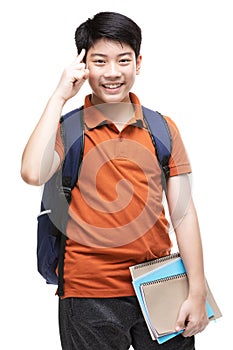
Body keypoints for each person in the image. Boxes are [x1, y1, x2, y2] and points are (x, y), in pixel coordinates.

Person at [21, 11, 209, 350]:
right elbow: (33, 173)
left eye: (123, 60)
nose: (112, 72)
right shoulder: (68, 128)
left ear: (138, 62)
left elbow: (183, 213)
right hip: (90, 293)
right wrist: (58, 96)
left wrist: (197, 291)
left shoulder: (161, 128)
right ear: (84, 66)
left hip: (160, 285)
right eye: (99, 61)